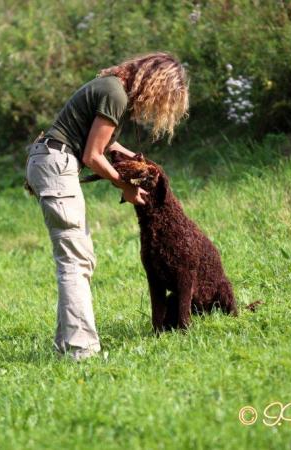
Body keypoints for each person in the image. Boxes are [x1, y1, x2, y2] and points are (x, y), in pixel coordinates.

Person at [26, 52, 189, 361]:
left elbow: (105, 144)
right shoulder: (114, 94)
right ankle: (81, 351)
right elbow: (93, 155)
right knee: (75, 260)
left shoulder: (112, 88)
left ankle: (66, 345)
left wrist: (139, 162)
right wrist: (125, 186)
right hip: (56, 163)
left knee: (77, 259)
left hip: (51, 160)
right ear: (154, 83)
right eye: (164, 96)